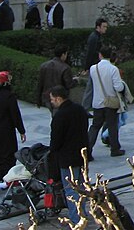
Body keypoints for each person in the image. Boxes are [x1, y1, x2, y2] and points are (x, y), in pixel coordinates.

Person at [48, 85, 88, 224]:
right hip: (82, 156)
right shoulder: (80, 109)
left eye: (52, 99)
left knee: (71, 191)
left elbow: (55, 141)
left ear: (59, 99)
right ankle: (84, 215)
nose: (51, 102)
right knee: (82, 188)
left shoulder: (60, 116)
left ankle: (76, 220)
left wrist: (52, 153)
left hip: (67, 158)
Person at [87, 46, 127, 158]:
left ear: (100, 55)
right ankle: (115, 149)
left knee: (95, 127)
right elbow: (118, 87)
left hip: (97, 102)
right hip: (110, 102)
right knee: (112, 126)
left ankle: (88, 151)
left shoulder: (93, 68)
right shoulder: (113, 69)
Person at [36, 45, 76, 114]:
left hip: (47, 97)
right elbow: (69, 84)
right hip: (60, 98)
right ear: (63, 54)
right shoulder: (65, 68)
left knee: (55, 115)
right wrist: (76, 81)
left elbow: (40, 84)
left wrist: (38, 99)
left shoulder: (44, 66)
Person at [82, 18, 108, 110]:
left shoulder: (96, 37)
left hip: (95, 65)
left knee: (92, 86)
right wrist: (87, 68)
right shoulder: (94, 38)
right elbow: (90, 53)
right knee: (90, 87)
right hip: (94, 66)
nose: (105, 29)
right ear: (98, 27)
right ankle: (85, 108)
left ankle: (87, 107)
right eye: (104, 27)